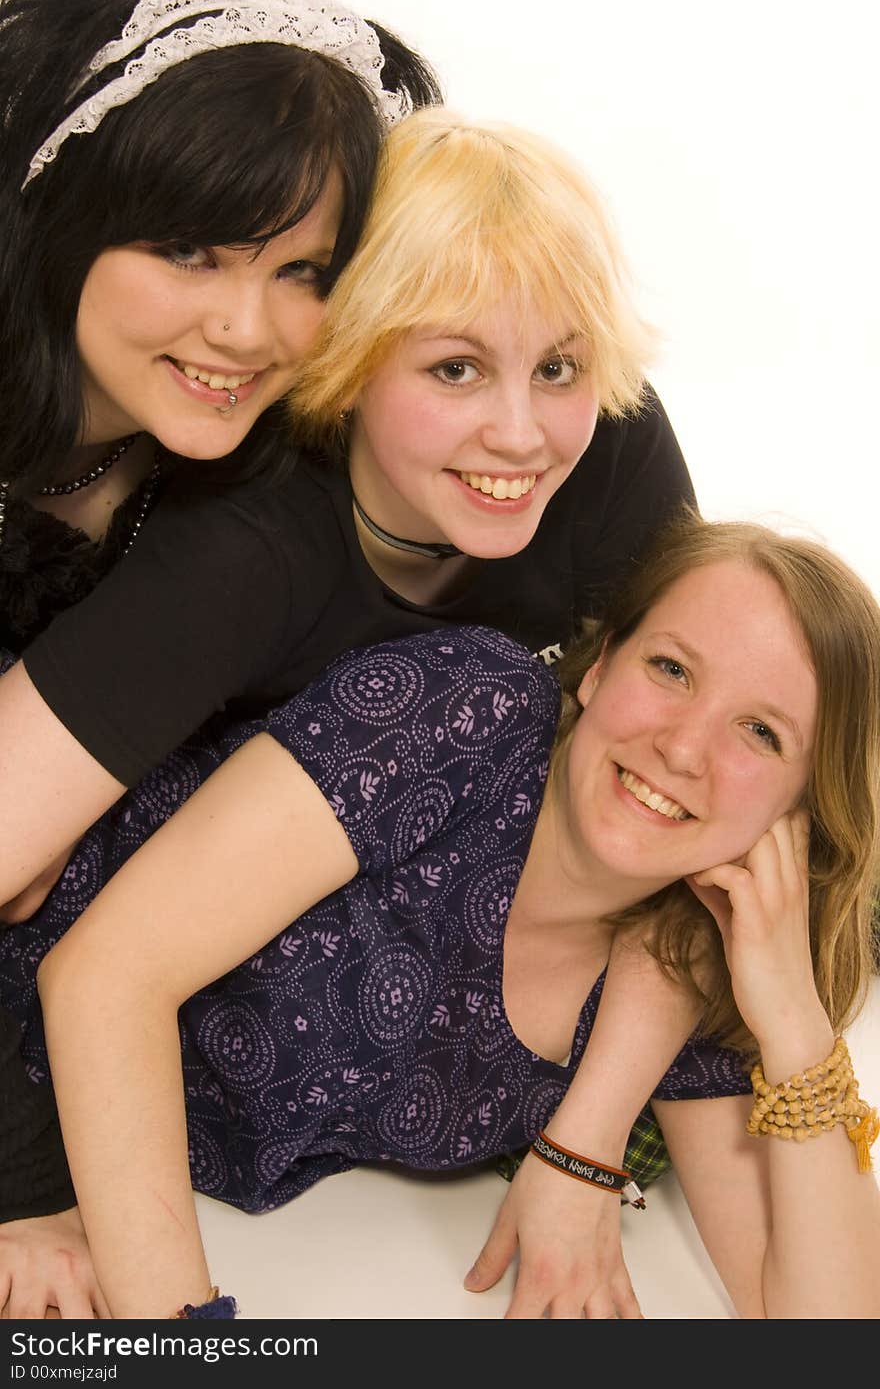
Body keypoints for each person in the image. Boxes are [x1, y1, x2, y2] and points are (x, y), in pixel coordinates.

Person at [0, 99, 691, 1308]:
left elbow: (717, 787)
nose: (521, 433)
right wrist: (24, 1178)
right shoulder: (244, 554)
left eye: (561, 367)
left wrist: (584, 1145)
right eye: (454, 367)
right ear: (352, 362)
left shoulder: (608, 452)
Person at [5, 507, 878, 1320]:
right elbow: (103, 975)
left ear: (800, 811)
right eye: (671, 669)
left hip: (120, 1192)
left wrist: (793, 1019)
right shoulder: (472, 714)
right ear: (604, 663)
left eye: (760, 733)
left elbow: (822, 1328)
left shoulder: (691, 956)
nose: (684, 748)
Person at [0, 0, 440, 1317]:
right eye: (192, 250)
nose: (248, 328)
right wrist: (24, 1174)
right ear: (68, 217)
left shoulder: (253, 478)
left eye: (303, 272)